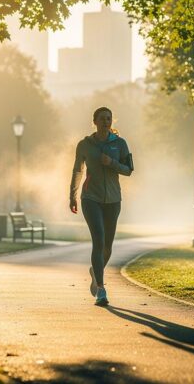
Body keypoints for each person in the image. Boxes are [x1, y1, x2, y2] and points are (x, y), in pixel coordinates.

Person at [69, 107, 133, 306]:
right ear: (94, 121)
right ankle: (101, 290)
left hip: (113, 200)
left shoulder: (120, 144)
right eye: (103, 118)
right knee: (98, 240)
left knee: (108, 247)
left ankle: (95, 272)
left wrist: (111, 162)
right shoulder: (85, 145)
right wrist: (73, 195)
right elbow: (77, 171)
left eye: (109, 118)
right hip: (91, 199)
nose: (106, 121)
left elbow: (129, 170)